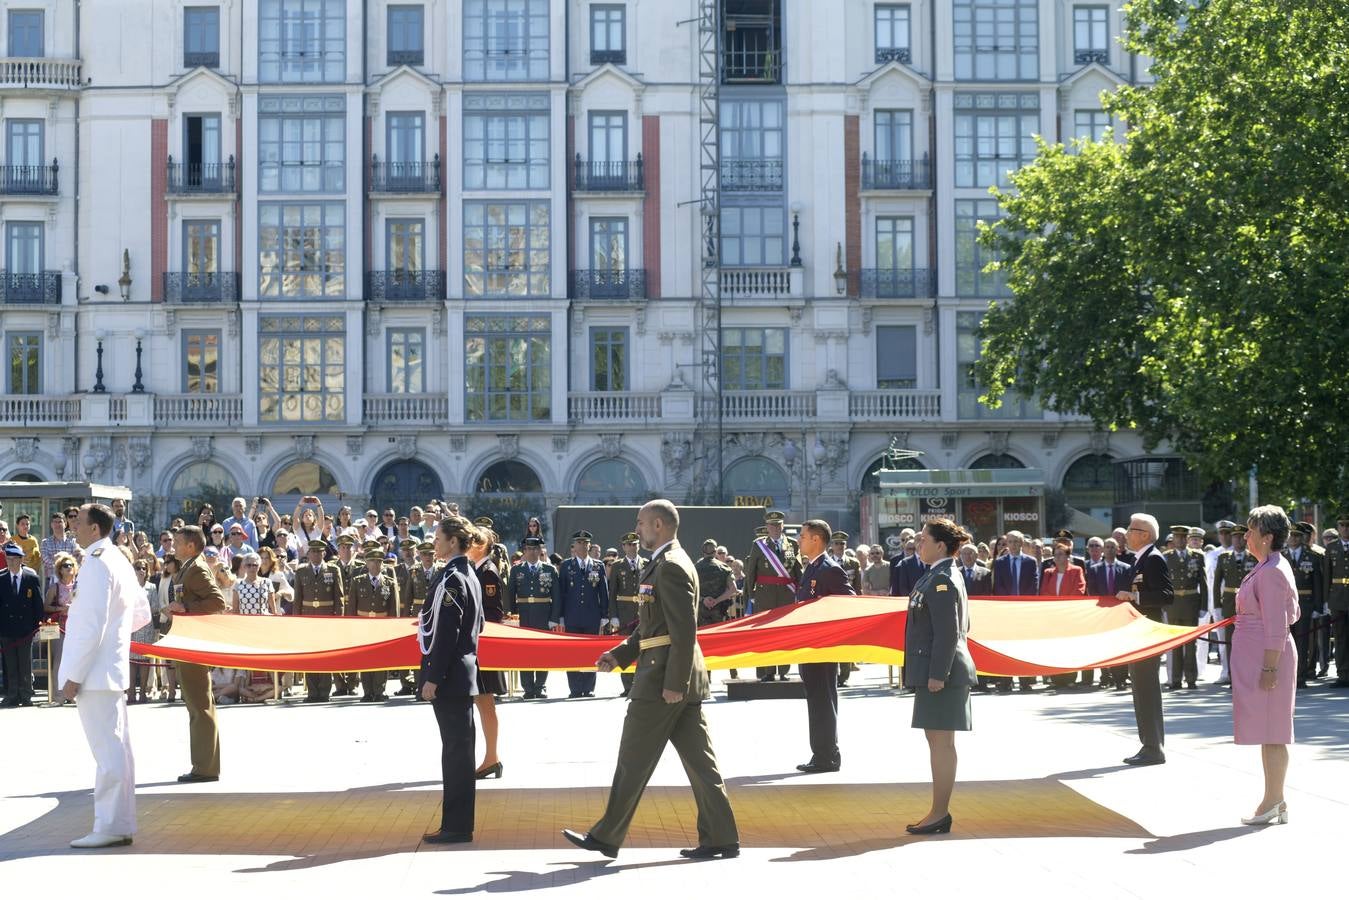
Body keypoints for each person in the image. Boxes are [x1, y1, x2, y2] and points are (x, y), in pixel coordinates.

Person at [562, 499, 739, 860]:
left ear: (658, 525)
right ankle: (722, 836)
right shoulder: (665, 562)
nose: (637, 529)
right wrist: (620, 655)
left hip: (662, 680)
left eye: (641, 523)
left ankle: (606, 835)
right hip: (671, 675)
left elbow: (684, 631)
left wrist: (674, 683)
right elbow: (651, 626)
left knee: (633, 758)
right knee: (701, 764)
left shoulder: (670, 565)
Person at [60, 503, 151, 848]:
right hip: (108, 668)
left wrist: (73, 675)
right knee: (117, 750)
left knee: (108, 752)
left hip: (95, 673)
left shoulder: (96, 564)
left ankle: (110, 825)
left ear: (95, 529)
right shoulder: (117, 559)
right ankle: (119, 822)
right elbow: (140, 613)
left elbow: (90, 625)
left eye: (78, 522)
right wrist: (117, 636)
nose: (74, 528)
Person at [904, 518, 977, 835]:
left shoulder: (944, 578)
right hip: (936, 671)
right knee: (937, 741)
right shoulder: (936, 575)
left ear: (941, 546)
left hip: (943, 674)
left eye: (923, 539)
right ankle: (937, 811)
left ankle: (939, 813)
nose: (919, 544)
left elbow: (949, 633)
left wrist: (938, 674)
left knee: (942, 744)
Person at [418, 516, 484, 845]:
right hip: (463, 673)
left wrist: (434, 677)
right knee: (460, 751)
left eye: (439, 537)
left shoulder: (454, 578)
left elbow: (446, 633)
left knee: (456, 754)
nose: (435, 543)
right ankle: (458, 823)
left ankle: (456, 827)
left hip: (451, 678)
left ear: (454, 542)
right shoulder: (469, 574)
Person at [1232, 506, 1300, 825]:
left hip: (1268, 657)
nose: (1246, 536)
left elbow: (1277, 625)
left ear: (1267, 537)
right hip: (1262, 656)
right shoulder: (1268, 566)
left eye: (1250, 530)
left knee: (1273, 732)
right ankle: (1276, 800)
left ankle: (1273, 800)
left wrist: (1270, 668)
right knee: (1268, 731)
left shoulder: (1272, 570)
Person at [794, 519, 857, 774]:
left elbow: (848, 601)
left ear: (816, 539)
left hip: (822, 645)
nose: (799, 541)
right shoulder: (812, 567)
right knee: (817, 700)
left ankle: (828, 755)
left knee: (823, 699)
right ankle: (821, 753)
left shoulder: (829, 569)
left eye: (802, 536)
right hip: (809, 645)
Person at [165, 525, 227, 783]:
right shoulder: (189, 567)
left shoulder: (197, 569)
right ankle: (204, 764)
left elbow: (217, 602)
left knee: (200, 706)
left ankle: (205, 768)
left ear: (190, 545)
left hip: (194, 643)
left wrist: (185, 607)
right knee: (197, 705)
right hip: (187, 640)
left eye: (178, 541)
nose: (173, 546)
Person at [1116, 514, 1174, 766]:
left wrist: (1134, 597)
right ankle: (1149, 744)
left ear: (1145, 535)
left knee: (1146, 688)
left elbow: (1166, 595)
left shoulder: (1153, 559)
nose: (1127, 534)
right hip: (1137, 632)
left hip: (1147, 633)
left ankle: (1153, 747)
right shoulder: (1139, 560)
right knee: (1141, 688)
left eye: (1132, 529)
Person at [467, 527, 507, 778]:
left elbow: (493, 614)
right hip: (479, 645)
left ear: (481, 546)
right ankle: (491, 757)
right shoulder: (478, 569)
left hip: (484, 646)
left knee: (486, 703)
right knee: (483, 703)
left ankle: (492, 757)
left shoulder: (487, 572)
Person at [743, 510, 802, 681]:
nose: (775, 528)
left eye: (778, 525)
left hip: (786, 595)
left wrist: (803, 591)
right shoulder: (758, 545)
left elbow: (797, 569)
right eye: (772, 525)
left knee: (784, 632)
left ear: (782, 526)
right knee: (766, 633)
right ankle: (768, 671)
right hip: (764, 595)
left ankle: (783, 670)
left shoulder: (792, 544)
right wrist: (751, 595)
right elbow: (751, 572)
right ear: (767, 527)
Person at [551, 531, 609, 698]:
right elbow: (561, 593)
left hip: (592, 616)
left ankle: (589, 687)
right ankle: (575, 688)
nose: (583, 546)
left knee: (591, 651)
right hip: (572, 615)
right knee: (573, 651)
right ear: (574, 546)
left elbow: (603, 592)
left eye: (586, 543)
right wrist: (560, 615)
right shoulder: (566, 566)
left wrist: (604, 614)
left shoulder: (598, 565)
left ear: (589, 546)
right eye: (580, 543)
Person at [292, 539, 345, 702]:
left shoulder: (333, 569)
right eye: (313, 551)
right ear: (308, 554)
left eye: (319, 551)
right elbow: (297, 599)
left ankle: (324, 691)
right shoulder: (301, 572)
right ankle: (312, 692)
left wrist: (339, 620)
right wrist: (297, 621)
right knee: (310, 656)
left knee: (325, 656)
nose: (316, 554)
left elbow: (339, 597)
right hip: (308, 619)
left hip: (327, 618)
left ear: (324, 553)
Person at [506, 536, 559, 699]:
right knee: (524, 651)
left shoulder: (549, 569)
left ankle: (540, 686)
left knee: (543, 651)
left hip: (543, 614)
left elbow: (556, 596)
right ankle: (528, 687)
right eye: (529, 549)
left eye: (535, 549)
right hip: (524, 614)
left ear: (540, 550)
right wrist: (512, 616)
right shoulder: (516, 570)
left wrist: (554, 618)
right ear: (524, 551)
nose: (532, 552)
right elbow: (510, 595)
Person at [349, 548, 400, 701]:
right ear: (366, 563)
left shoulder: (389, 583)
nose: (376, 564)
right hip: (363, 625)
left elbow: (393, 608)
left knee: (381, 658)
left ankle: (380, 690)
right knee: (365, 658)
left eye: (379, 561)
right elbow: (352, 606)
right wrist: (352, 627)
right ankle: (368, 691)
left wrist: (392, 628)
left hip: (381, 626)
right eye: (372, 561)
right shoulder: (357, 581)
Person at [991, 531, 1039, 692]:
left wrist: (1023, 604)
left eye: (1016, 542)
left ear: (1021, 543)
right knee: (1005, 646)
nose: (1013, 545)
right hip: (1006, 611)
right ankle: (1006, 681)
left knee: (1024, 646)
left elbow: (1034, 585)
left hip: (1024, 611)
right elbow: (997, 586)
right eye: (1010, 542)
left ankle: (1025, 681)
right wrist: (1008, 604)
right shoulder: (1000, 562)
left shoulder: (1030, 562)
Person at [0, 542, 43, 706]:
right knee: (10, 664)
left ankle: (25, 695)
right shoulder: (1, 578)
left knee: (25, 664)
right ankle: (12, 694)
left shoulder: (31, 577)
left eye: (13, 560)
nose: (10, 563)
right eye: (8, 559)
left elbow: (37, 604)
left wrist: (37, 626)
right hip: (6, 628)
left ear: (21, 560)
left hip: (25, 629)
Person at [606, 532, 647, 697]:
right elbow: (613, 592)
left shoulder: (646, 563)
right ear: (623, 547)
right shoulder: (617, 565)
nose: (633, 547)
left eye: (635, 544)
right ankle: (628, 685)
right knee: (624, 648)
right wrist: (613, 615)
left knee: (643, 648)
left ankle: (641, 683)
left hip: (642, 611)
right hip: (624, 613)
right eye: (629, 544)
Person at [43, 551, 79, 700]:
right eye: (65, 565)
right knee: (58, 660)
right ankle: (57, 695)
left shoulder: (79, 586)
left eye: (71, 565)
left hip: (77, 629)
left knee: (75, 661)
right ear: (60, 569)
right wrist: (61, 609)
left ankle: (72, 694)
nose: (69, 567)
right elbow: (46, 607)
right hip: (60, 628)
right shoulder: (55, 588)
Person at [1327, 515, 1349, 686]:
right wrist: (1325, 601)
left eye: (1348, 525)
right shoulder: (1332, 547)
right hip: (1337, 598)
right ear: (1338, 527)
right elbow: (1327, 575)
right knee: (1340, 637)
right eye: (1342, 525)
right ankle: (1342, 674)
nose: (1345, 528)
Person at [694, 538, 737, 626]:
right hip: (720, 610)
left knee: (702, 636)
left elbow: (690, 588)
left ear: (703, 551)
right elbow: (733, 589)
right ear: (715, 551)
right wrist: (716, 601)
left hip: (701, 610)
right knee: (719, 636)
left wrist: (703, 599)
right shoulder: (725, 568)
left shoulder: (695, 568)